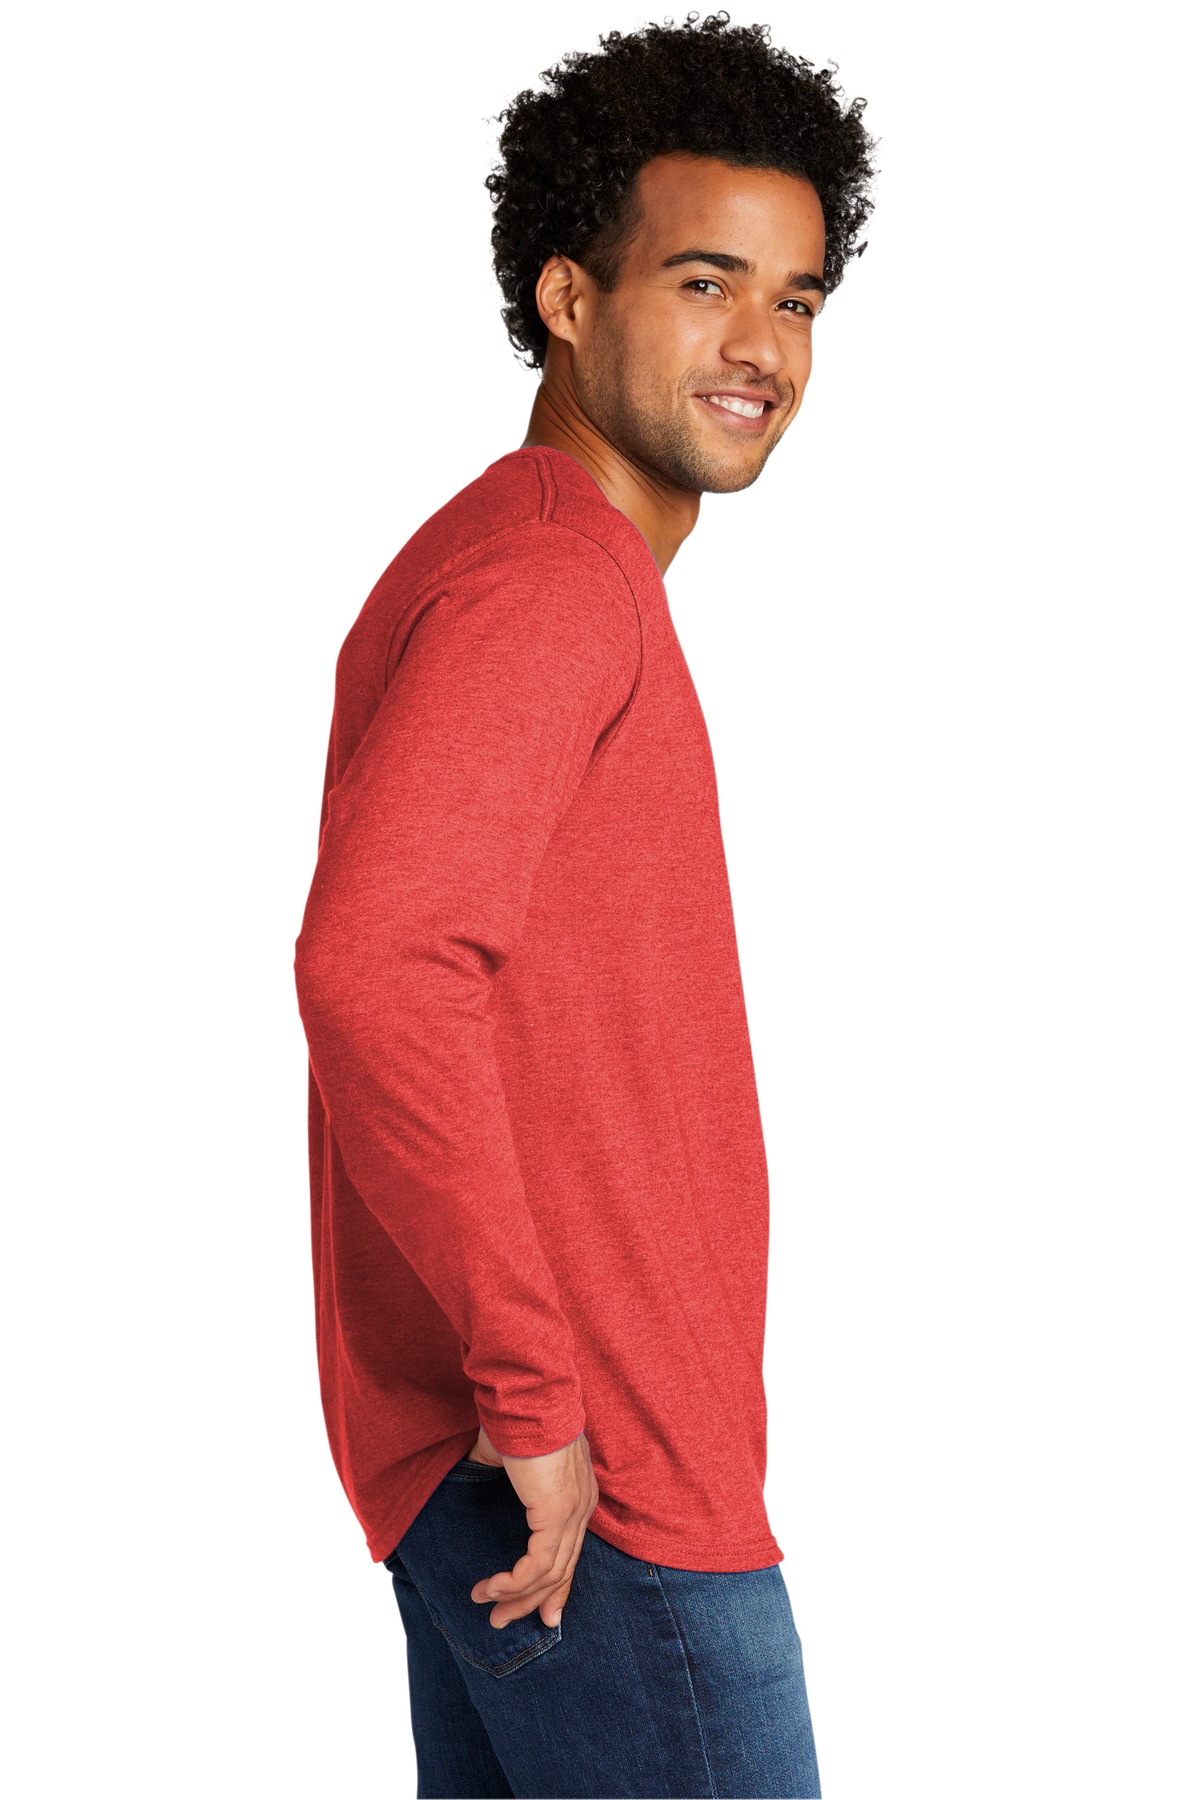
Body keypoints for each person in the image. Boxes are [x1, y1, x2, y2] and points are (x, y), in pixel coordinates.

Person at [293, 13, 876, 1796]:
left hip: (524, 1470)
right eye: (706, 282)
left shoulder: (526, 555)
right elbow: (378, 966)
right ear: (566, 296)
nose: (761, 346)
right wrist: (540, 1392)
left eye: (796, 299)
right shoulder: (553, 586)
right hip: (597, 1495)